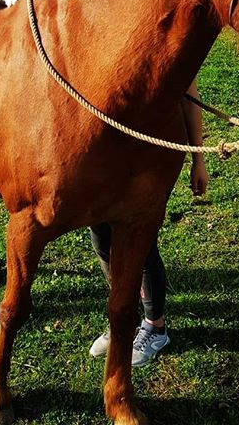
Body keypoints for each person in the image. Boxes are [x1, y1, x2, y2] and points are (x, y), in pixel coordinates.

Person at [89, 81, 209, 367]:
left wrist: (198, 160)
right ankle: (123, 319)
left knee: (138, 242)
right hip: (106, 153)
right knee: (101, 237)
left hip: (150, 158)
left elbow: (190, 95)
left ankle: (155, 328)